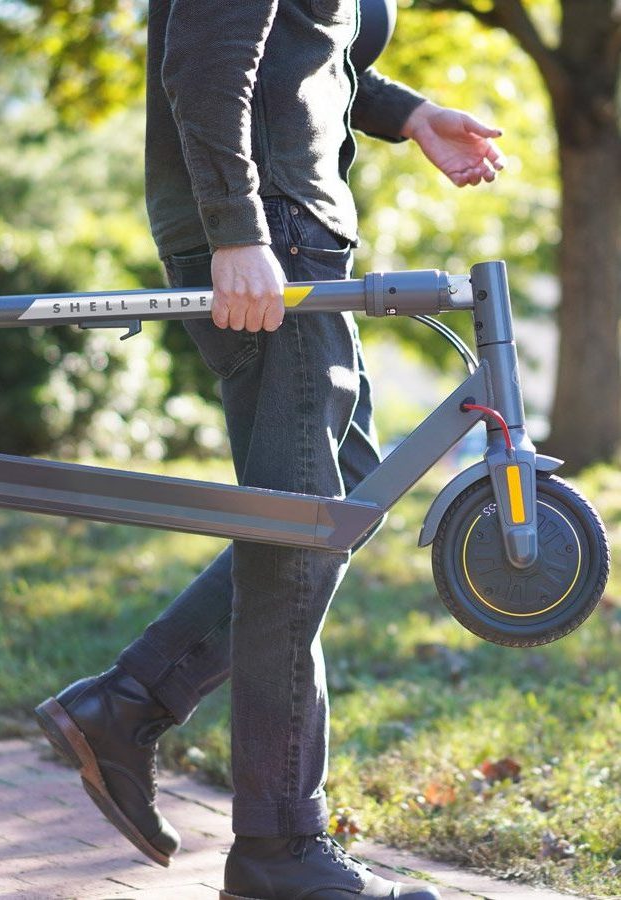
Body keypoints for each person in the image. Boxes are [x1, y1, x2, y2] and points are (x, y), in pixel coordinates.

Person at [35, 1, 504, 897]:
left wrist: (406, 113)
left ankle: (127, 705)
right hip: (272, 234)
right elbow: (206, 58)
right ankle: (278, 850)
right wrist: (237, 231)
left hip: (297, 229)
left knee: (347, 493)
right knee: (298, 533)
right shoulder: (252, 225)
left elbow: (305, 49)